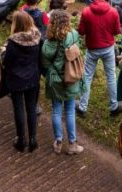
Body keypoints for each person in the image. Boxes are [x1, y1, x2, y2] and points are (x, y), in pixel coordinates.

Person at [0, 10, 42, 152]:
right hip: (33, 78)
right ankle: (33, 139)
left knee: (18, 108)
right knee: (31, 108)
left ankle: (21, 140)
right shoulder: (37, 38)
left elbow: (7, 62)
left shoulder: (13, 42)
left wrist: (3, 51)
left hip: (16, 79)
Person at [42, 8, 85, 155]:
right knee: (70, 111)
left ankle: (58, 141)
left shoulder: (48, 42)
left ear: (52, 23)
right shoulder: (73, 35)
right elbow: (77, 53)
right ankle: (72, 144)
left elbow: (45, 63)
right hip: (71, 77)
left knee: (56, 110)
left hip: (55, 79)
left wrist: (52, 72)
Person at [76, 0, 122, 117]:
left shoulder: (86, 11)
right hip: (108, 48)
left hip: (92, 49)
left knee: (87, 77)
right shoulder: (113, 11)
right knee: (111, 77)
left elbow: (81, 31)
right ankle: (114, 106)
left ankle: (82, 107)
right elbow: (117, 31)